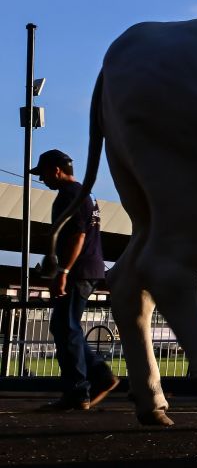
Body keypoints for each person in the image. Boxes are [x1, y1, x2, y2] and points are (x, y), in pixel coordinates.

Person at [29, 149, 119, 412]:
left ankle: (79, 391)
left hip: (78, 272)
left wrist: (64, 272)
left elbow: (77, 236)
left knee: (65, 327)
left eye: (43, 173)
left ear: (56, 170)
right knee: (66, 327)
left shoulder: (70, 195)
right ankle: (99, 376)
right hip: (88, 270)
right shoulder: (84, 193)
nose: (42, 179)